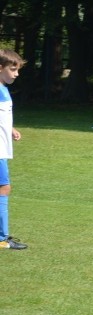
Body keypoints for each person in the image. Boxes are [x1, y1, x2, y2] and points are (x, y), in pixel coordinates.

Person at [0, 49, 27, 250]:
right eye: (13, 69)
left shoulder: (4, 88)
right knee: (4, 188)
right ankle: (2, 238)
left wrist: (10, 128)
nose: (16, 74)